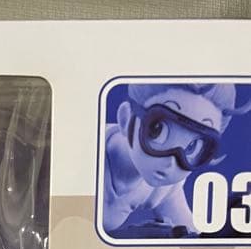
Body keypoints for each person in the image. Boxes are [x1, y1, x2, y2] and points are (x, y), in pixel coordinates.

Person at [102, 82, 251, 236]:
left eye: (192, 147)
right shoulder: (92, 156)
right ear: (126, 119)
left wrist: (223, 227)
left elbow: (190, 233)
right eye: (157, 130)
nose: (171, 162)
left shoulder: (164, 186)